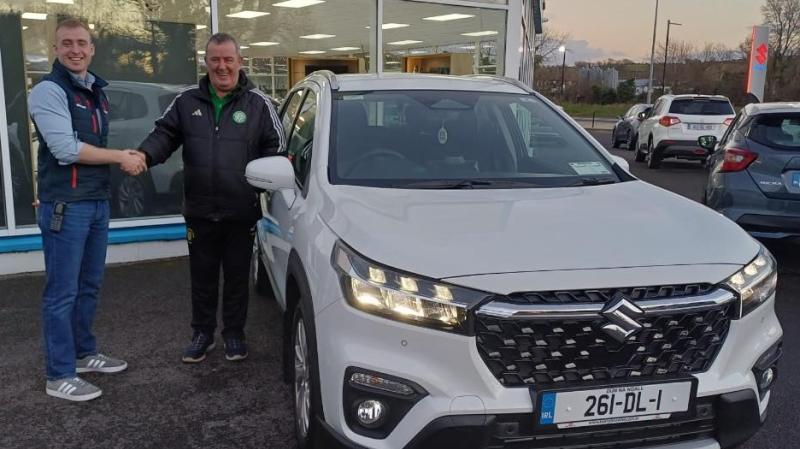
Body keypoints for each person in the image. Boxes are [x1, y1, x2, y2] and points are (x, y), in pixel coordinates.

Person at [136, 33, 284, 363]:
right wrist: (144, 155)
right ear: (206, 63)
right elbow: (164, 134)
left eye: (228, 59)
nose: (222, 66)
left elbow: (277, 148)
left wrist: (261, 185)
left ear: (240, 62)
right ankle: (202, 334)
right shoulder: (186, 102)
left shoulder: (258, 105)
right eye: (215, 59)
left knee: (236, 278)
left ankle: (234, 334)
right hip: (200, 210)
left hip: (240, 211)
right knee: (202, 278)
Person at [28, 18, 146, 401]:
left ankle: (83, 354)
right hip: (67, 206)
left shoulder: (96, 91)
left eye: (82, 43)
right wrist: (121, 158)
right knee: (62, 292)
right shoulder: (48, 91)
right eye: (67, 43)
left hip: (95, 201)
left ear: (92, 49)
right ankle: (58, 375)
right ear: (56, 49)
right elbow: (65, 149)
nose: (75, 50)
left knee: (89, 286)